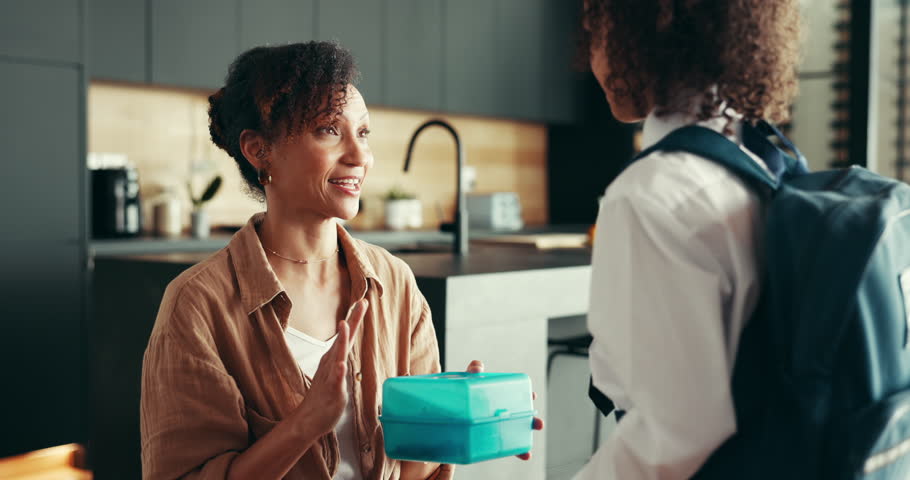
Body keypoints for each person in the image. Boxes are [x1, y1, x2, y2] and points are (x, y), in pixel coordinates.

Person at [140, 41, 540, 480]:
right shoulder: (197, 306)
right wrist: (304, 424)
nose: (359, 156)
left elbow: (415, 471)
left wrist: (454, 424)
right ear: (259, 150)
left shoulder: (395, 282)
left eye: (363, 132)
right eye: (329, 130)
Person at [575, 1, 802, 479]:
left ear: (638, 32)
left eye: (595, 28)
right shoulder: (758, 159)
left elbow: (674, 443)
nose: (591, 54)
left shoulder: (651, 195)